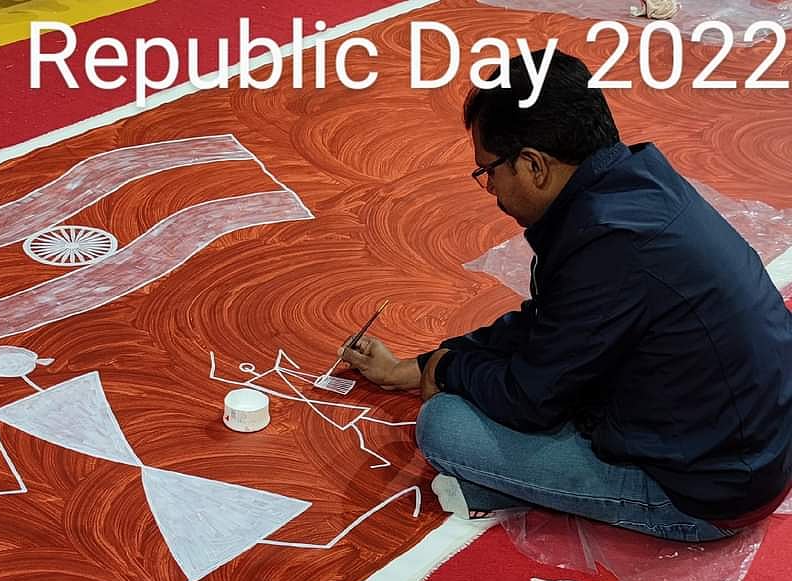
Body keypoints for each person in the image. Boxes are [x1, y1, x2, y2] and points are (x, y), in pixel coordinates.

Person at [338, 50, 792, 541]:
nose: (489, 187)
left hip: (705, 494)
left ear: (533, 165)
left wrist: (447, 370)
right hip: (751, 446)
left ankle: (528, 488)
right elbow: (549, 325)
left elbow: (529, 399)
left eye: (488, 171)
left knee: (446, 426)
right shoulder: (634, 185)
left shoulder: (608, 245)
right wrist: (414, 367)